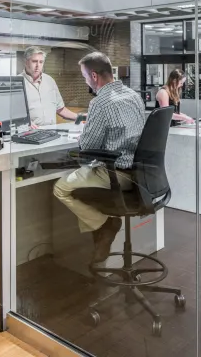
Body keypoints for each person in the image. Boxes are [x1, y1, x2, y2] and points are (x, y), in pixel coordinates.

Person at [53, 51, 146, 263]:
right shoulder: (134, 96)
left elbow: (87, 146)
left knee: (60, 188)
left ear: (94, 76)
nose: (86, 81)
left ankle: (104, 225)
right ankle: (101, 232)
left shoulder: (101, 102)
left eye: (85, 77)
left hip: (116, 174)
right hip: (141, 174)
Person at [20, 46, 79, 126]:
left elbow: (60, 109)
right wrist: (26, 123)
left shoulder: (50, 81)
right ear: (26, 62)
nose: (38, 65)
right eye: (34, 61)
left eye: (41, 62)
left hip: (52, 132)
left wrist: (80, 117)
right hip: (29, 133)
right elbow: (11, 114)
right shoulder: (17, 83)